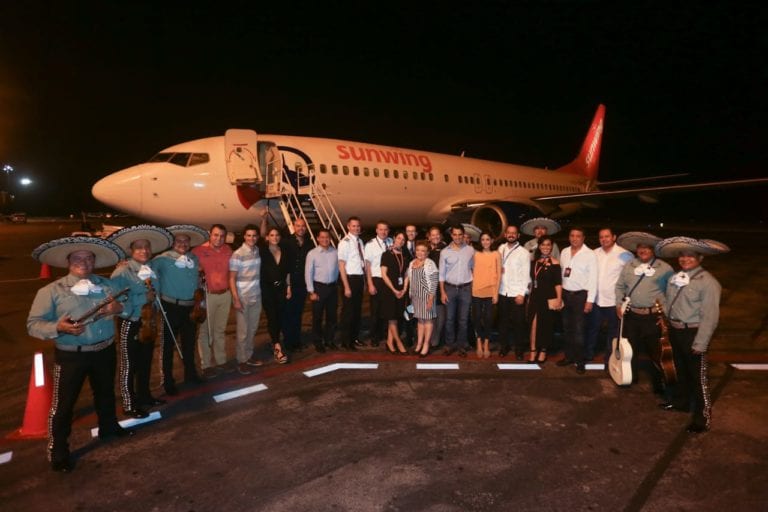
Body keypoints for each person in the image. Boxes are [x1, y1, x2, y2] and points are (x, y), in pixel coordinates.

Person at [27, 236, 133, 472]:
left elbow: (128, 305)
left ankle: (109, 428)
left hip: (104, 350)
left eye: (88, 258)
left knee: (105, 394)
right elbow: (33, 324)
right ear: (68, 261)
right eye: (77, 258)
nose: (83, 262)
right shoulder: (51, 290)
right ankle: (59, 451)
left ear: (94, 261)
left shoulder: (108, 286)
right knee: (63, 405)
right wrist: (58, 327)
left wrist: (120, 308)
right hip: (71, 356)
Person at [657, 236, 727, 433]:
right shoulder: (675, 278)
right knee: (680, 372)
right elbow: (668, 299)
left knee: (699, 378)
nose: (685, 259)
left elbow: (710, 316)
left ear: (700, 258)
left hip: (694, 333)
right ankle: (681, 403)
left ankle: (702, 418)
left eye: (690, 256)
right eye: (682, 256)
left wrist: (701, 343)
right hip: (676, 331)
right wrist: (665, 314)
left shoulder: (709, 282)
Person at [108, 225, 173, 418]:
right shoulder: (122, 272)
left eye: (146, 247)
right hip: (131, 321)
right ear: (131, 251)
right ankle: (129, 403)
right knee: (129, 364)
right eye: (138, 247)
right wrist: (144, 298)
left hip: (149, 321)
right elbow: (116, 301)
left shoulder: (152, 268)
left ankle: (145, 396)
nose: (143, 250)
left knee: (145, 361)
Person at [614, 232, 674, 394]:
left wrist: (665, 317)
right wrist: (619, 303)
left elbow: (672, 293)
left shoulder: (664, 268)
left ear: (653, 250)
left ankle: (661, 382)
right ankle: (630, 377)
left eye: (647, 248)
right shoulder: (630, 266)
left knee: (656, 352)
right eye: (640, 247)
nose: (643, 250)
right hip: (632, 315)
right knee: (630, 349)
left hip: (652, 316)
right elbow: (620, 286)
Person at [153, 224, 208, 395]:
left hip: (190, 307)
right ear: (172, 242)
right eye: (179, 240)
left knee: (189, 343)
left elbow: (198, 281)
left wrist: (201, 302)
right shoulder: (162, 259)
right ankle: (167, 381)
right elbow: (147, 271)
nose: (183, 243)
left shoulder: (194, 259)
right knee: (167, 346)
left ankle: (190, 374)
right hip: (170, 306)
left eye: (186, 240)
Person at [585, 228, 633, 361]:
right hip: (595, 299)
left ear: (614, 237)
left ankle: (610, 358)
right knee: (592, 329)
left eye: (607, 236)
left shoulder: (625, 255)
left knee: (613, 332)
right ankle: (588, 354)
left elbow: (629, 278)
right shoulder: (594, 253)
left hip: (614, 301)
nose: (604, 239)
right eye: (601, 237)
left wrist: (624, 300)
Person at [192, 224, 233, 377]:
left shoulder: (228, 250)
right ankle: (206, 365)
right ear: (210, 234)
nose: (219, 238)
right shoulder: (198, 251)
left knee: (220, 330)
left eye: (222, 236)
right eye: (216, 235)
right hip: (206, 295)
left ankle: (221, 361)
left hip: (225, 294)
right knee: (204, 331)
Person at [558, 227, 598, 374]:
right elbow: (562, 275)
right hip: (566, 295)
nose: (574, 238)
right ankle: (568, 356)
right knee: (567, 328)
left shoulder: (590, 254)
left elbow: (593, 279)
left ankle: (580, 361)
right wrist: (560, 296)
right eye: (572, 235)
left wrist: (590, 300)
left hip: (580, 296)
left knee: (579, 330)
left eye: (578, 236)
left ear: (583, 238)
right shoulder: (564, 252)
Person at [229, 224, 264, 375]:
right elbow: (231, 278)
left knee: (253, 328)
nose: (252, 238)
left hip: (256, 295)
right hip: (243, 297)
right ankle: (241, 360)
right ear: (244, 236)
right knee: (243, 332)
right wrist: (236, 299)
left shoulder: (256, 250)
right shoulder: (238, 254)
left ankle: (249, 355)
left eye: (254, 235)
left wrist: (264, 219)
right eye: (249, 235)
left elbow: (264, 233)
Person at [439, 225, 475, 356]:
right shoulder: (444, 252)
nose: (458, 237)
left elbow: (474, 269)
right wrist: (442, 292)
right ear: (451, 235)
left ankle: (462, 345)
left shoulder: (471, 250)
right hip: (450, 289)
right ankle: (449, 345)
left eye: (460, 234)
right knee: (449, 319)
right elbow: (441, 274)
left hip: (466, 288)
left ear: (463, 234)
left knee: (463, 320)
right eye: (455, 234)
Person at [527, 236, 563, 363]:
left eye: (548, 245)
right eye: (543, 244)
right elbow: (531, 280)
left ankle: (543, 350)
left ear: (551, 246)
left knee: (546, 325)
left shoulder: (555, 263)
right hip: (535, 296)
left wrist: (559, 298)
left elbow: (558, 283)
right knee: (533, 324)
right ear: (539, 246)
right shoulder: (534, 261)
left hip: (549, 297)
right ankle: (533, 350)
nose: (546, 247)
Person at [497, 225, 531, 358]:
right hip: (502, 291)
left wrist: (522, 293)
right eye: (509, 233)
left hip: (517, 293)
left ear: (518, 236)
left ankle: (519, 349)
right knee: (503, 323)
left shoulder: (524, 252)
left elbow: (526, 276)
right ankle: (504, 347)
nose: (511, 235)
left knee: (519, 323)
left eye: (514, 233)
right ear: (505, 235)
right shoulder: (501, 249)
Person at [281, 218, 314, 352]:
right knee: (288, 313)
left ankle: (296, 341)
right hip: (289, 283)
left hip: (302, 284)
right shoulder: (285, 242)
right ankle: (288, 342)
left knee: (298, 313)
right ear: (294, 227)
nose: (301, 228)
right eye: (298, 226)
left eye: (303, 226)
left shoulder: (310, 244)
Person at [259, 226, 291, 364]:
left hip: (281, 288)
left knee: (280, 316)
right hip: (267, 289)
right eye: (271, 235)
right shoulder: (262, 251)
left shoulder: (284, 251)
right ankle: (277, 346)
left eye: (277, 235)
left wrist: (289, 287)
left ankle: (276, 340)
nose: (275, 237)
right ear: (267, 237)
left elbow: (287, 272)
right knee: (272, 317)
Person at [305, 229, 339, 352]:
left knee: (332, 317)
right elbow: (308, 273)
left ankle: (329, 340)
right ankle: (318, 342)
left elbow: (339, 270)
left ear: (330, 239)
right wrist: (311, 291)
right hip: (319, 288)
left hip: (332, 288)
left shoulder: (335, 252)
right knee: (317, 317)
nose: (325, 240)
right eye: (322, 237)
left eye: (327, 237)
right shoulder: (312, 253)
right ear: (318, 238)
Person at [379, 231, 412, 354]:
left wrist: (404, 288)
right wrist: (394, 289)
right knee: (392, 318)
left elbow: (407, 274)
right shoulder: (386, 254)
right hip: (389, 290)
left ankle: (389, 342)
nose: (401, 241)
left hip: (401, 290)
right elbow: (384, 274)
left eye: (403, 240)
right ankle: (398, 343)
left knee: (396, 317)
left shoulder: (405, 255)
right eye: (399, 238)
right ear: (394, 238)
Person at [406, 240, 439, 357]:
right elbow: (409, 279)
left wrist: (431, 299)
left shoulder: (430, 264)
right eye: (418, 250)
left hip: (427, 296)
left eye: (423, 251)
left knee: (428, 321)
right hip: (415, 297)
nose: (420, 253)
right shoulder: (411, 263)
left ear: (427, 253)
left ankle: (426, 345)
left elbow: (434, 282)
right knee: (420, 321)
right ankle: (419, 344)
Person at [337, 216, 366, 350]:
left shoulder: (360, 241)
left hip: (359, 278)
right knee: (348, 312)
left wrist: (364, 281)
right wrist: (346, 286)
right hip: (349, 279)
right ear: (348, 227)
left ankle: (354, 338)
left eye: (358, 226)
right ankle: (346, 341)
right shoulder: (345, 242)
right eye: (353, 226)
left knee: (357, 311)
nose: (356, 228)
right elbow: (341, 265)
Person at [471, 232, 501, 358]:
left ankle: (487, 343)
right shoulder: (476, 254)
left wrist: (496, 293)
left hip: (490, 291)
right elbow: (471, 270)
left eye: (487, 239)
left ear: (492, 241)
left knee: (489, 319)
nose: (485, 242)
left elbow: (499, 274)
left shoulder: (496, 254)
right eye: (482, 239)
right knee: (477, 317)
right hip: (477, 290)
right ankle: (479, 342)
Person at [364, 220, 392, 347]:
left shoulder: (391, 242)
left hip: (389, 280)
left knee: (387, 310)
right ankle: (374, 336)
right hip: (376, 279)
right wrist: (370, 284)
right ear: (376, 230)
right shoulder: (370, 244)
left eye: (385, 229)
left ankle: (385, 334)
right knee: (375, 311)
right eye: (381, 229)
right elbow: (367, 266)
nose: (383, 232)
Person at [427, 226, 447, 348]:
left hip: (441, 287)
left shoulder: (445, 249)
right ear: (429, 237)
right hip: (428, 287)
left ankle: (436, 339)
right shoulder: (426, 249)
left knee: (441, 317)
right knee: (430, 316)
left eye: (437, 234)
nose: (435, 237)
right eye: (433, 235)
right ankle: (430, 340)